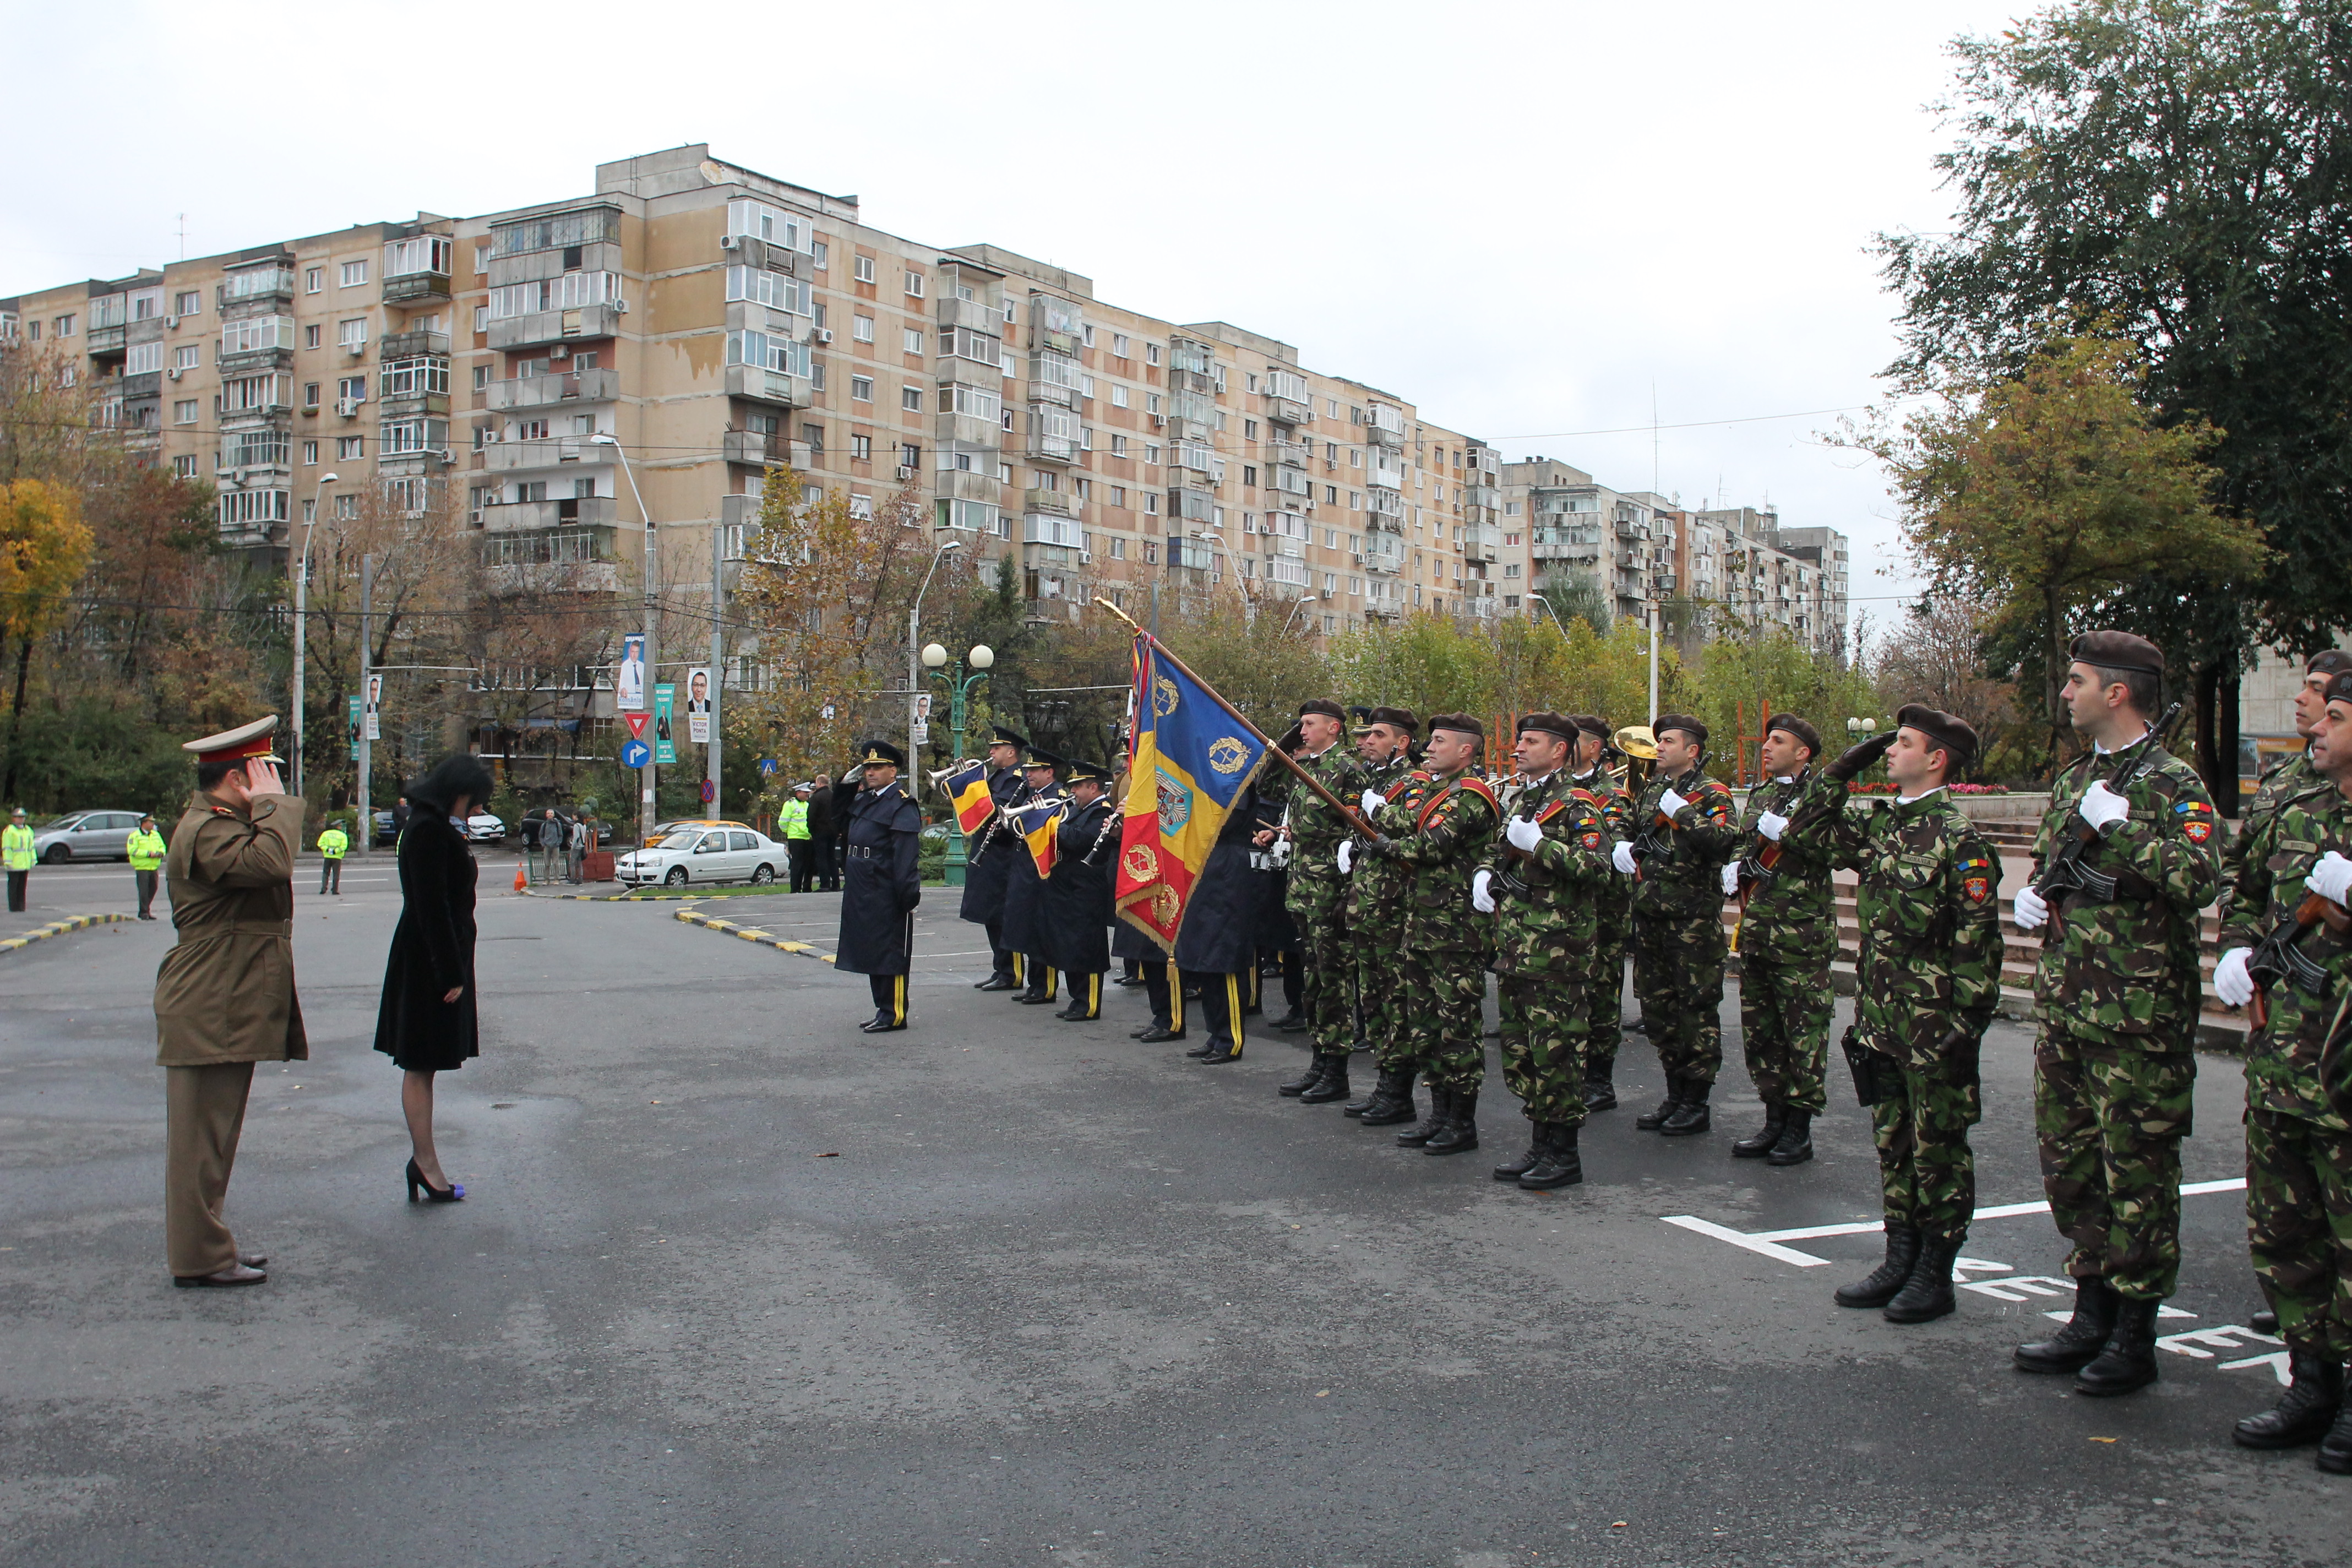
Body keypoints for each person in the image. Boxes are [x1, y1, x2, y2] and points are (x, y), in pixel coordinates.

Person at [2009, 630, 2220, 1396]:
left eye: (2076, 681)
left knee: (2139, 1174)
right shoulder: (2075, 781)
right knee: (2073, 1169)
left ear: (2117, 693)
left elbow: (2200, 877)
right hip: (2068, 1005)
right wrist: (2039, 896)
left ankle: (2136, 1333)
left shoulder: (2170, 783)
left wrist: (2124, 825)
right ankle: (2090, 1310)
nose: (2066, 695)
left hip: (2138, 1017)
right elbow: (2054, 862)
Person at [1814, 706, 2002, 1324]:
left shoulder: (1960, 839)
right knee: (1893, 1142)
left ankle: (1935, 1271)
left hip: (1933, 1025)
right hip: (1880, 1018)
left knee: (1938, 1150)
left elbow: (1979, 946)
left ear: (1937, 757)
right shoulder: (1885, 827)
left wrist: (1962, 1027)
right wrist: (1841, 770)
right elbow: (1807, 828)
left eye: (1903, 743)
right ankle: (1900, 1254)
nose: (1890, 751)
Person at [2213, 667, 2352, 1467]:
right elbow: (2245, 890)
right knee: (2286, 1228)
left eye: (2336, 714)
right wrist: (2237, 946)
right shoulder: (2295, 804)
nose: (2319, 726)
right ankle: (2311, 1380)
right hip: (2283, 1057)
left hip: (2346, 1070)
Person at [152, 716, 306, 1287]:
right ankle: (199, 1257)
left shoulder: (218, 824)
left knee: (215, 1136)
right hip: (207, 998)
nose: (275, 788)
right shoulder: (209, 829)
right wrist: (274, 808)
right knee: (199, 1144)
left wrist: (264, 810)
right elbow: (273, 863)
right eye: (265, 776)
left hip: (220, 996)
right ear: (241, 779)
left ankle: (208, 1240)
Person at [1477, 712, 1611, 1189]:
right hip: (1517, 948)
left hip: (1558, 953)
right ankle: (1540, 1143)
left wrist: (1542, 845)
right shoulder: (1525, 797)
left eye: (1530, 742)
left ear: (1559, 751)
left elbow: (1599, 869)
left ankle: (1564, 1154)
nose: (1519, 749)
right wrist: (1486, 873)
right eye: (1519, 741)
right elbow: (1500, 847)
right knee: (1523, 1053)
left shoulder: (1577, 804)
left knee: (1558, 1054)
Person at [1359, 714, 1500, 1153]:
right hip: (1422, 925)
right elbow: (1407, 820)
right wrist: (1377, 815)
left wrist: (1385, 845)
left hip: (1456, 931)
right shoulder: (1437, 792)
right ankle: (1438, 1113)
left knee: (1457, 1026)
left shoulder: (1469, 797)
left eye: (1439, 742)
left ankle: (1462, 1121)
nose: (1430, 748)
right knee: (1426, 1026)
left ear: (1466, 751)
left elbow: (1431, 846)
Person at [372, 753, 493, 1202]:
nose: (478, 810)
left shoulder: (431, 826)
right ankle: (425, 1164)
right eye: (475, 801)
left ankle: (424, 1162)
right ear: (457, 793)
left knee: (424, 1065)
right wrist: (450, 972)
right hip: (429, 963)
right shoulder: (427, 831)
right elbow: (431, 907)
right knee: (420, 1063)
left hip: (432, 957)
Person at [1727, 714, 1834, 1165]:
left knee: (1802, 1035)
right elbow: (1744, 841)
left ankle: (1799, 1128)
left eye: (1777, 741)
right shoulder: (1763, 792)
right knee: (1763, 1034)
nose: (1766, 747)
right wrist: (1733, 866)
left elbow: (1836, 850)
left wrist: (1788, 835)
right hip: (1757, 930)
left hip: (1800, 937)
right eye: (1767, 739)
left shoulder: (1822, 795)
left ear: (1803, 751)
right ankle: (1773, 1120)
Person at [1625, 714, 1739, 1135]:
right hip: (1651, 917)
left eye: (1668, 741)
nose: (1659, 747)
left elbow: (1725, 843)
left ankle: (1696, 1101)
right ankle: (1674, 1094)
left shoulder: (1713, 793)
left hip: (1691, 921)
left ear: (1691, 751)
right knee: (1659, 1011)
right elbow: (1635, 826)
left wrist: (1687, 815)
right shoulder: (1654, 788)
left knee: (1695, 1012)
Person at [1272, 700, 1371, 1103]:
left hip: (1330, 890)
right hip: (1303, 890)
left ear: (1333, 728)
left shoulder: (1348, 770)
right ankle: (1320, 1059)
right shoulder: (1305, 769)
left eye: (1309, 724)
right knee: (1314, 983)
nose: (1302, 731)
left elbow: (1354, 830)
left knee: (1334, 983)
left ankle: (1337, 1069)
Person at [1338, 709, 1429, 1122]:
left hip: (1395, 908)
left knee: (1396, 1002)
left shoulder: (1416, 783)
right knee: (1373, 1001)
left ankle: (1399, 1091)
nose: (1366, 741)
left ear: (1403, 742)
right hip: (1368, 906)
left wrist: (1379, 813)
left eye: (1377, 734)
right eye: (1367, 735)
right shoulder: (1376, 779)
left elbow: (1413, 832)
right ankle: (1385, 1085)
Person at [1171, 778, 1271, 1065]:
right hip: (1205, 868)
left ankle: (1231, 1039)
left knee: (1224, 959)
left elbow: (1223, 823)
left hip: (1227, 870)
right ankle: (1215, 1033)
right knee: (1205, 960)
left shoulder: (1237, 782)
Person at [1568, 716, 1638, 1109]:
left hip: (1603, 911)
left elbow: (1608, 847)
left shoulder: (1610, 794)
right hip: (1565, 914)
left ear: (1594, 748)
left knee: (1601, 996)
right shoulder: (1557, 789)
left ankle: (1599, 1079)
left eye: (1573, 740)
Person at [832, 740, 923, 1032]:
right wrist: (846, 784)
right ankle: (881, 1008)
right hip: (862, 884)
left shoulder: (901, 803)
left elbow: (906, 855)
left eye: (877, 767)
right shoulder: (866, 799)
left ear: (892, 770)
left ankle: (894, 1012)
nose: (871, 773)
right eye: (868, 767)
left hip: (886, 886)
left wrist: (907, 894)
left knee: (890, 951)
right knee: (871, 949)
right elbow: (835, 818)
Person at [1043, 759, 1119, 1021]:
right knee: (1071, 944)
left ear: (1094, 787)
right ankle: (1077, 999)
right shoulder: (1077, 810)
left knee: (1088, 946)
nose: (1072, 791)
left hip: (1088, 885)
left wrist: (1052, 825)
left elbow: (1079, 840)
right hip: (1068, 885)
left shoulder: (1102, 811)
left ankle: (1090, 1003)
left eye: (1078, 786)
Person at [957, 728, 1031, 989]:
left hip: (1003, 855)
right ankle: (1001, 968)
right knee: (990, 913)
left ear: (1011, 752)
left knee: (1002, 914)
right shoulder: (997, 776)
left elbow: (994, 810)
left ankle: (1012, 973)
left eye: (996, 748)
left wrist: (973, 784)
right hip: (987, 854)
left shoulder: (1016, 778)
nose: (990, 752)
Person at [1004, 743, 1068, 1006]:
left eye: (1034, 770)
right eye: (1028, 770)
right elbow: (1019, 829)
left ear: (1049, 773)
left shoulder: (1058, 794)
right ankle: (1035, 983)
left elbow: (1055, 831)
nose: (1028, 775)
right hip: (1023, 864)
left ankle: (1046, 986)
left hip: (1042, 870)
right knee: (1028, 927)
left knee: (1043, 929)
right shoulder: (1029, 795)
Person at [805, 771, 841, 891]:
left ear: (819, 783)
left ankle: (825, 884)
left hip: (820, 831)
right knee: (832, 857)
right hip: (833, 831)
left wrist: (811, 829)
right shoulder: (835, 796)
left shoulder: (816, 798)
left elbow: (811, 816)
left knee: (822, 858)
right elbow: (839, 813)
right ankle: (836, 884)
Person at [128, 813, 167, 919]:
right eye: (151, 822)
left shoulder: (155, 835)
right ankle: (144, 912)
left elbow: (162, 846)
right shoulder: (135, 835)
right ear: (144, 823)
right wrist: (149, 854)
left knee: (153, 888)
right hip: (142, 867)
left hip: (154, 867)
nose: (153, 825)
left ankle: (146, 909)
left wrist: (161, 853)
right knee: (144, 890)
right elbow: (132, 851)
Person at [780, 782, 814, 892]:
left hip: (808, 838)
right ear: (798, 793)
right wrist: (789, 832)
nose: (808, 795)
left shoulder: (807, 805)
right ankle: (795, 888)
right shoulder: (790, 804)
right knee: (797, 865)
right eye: (806, 793)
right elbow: (783, 822)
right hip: (796, 838)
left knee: (809, 865)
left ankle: (807, 887)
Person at [4, 805, 32, 912]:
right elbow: (7, 848)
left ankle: (21, 906)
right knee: (13, 887)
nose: (21, 819)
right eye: (18, 817)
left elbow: (31, 847)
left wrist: (33, 860)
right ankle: (14, 907)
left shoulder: (28, 830)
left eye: (22, 817)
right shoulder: (10, 831)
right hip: (14, 864)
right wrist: (8, 861)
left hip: (24, 863)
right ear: (14, 819)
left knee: (22, 887)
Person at [316, 817, 349, 896]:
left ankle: (323, 889)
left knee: (325, 873)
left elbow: (320, 844)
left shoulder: (326, 834)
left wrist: (328, 850)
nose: (341, 827)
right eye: (340, 826)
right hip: (337, 857)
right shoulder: (343, 835)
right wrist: (335, 851)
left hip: (327, 856)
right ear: (338, 827)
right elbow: (344, 847)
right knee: (336, 874)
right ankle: (335, 890)